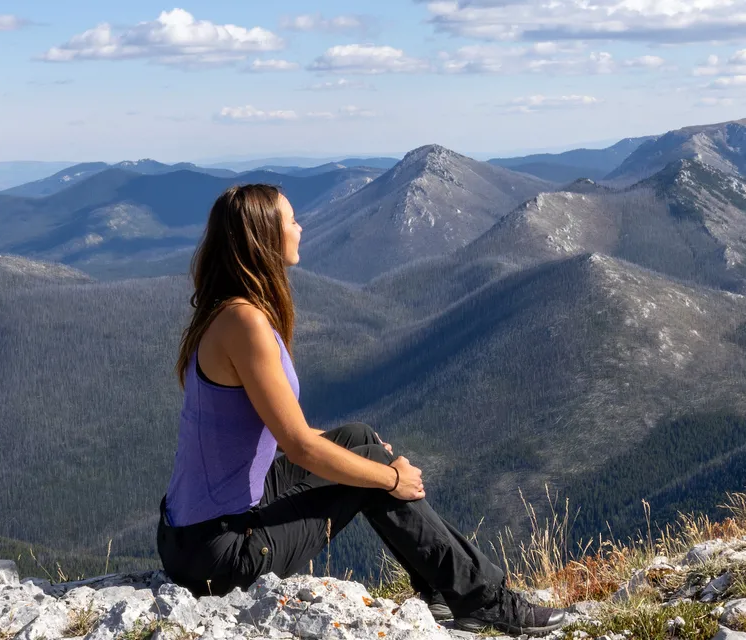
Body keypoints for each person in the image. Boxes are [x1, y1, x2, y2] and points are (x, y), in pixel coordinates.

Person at [154, 184, 569, 636]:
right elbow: (299, 446)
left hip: (193, 534)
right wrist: (390, 478)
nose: (300, 228)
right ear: (264, 236)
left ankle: (439, 587)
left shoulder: (227, 310)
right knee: (372, 466)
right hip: (218, 554)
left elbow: (288, 434)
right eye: (291, 220)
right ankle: (485, 600)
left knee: (357, 438)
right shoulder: (245, 321)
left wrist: (372, 464)